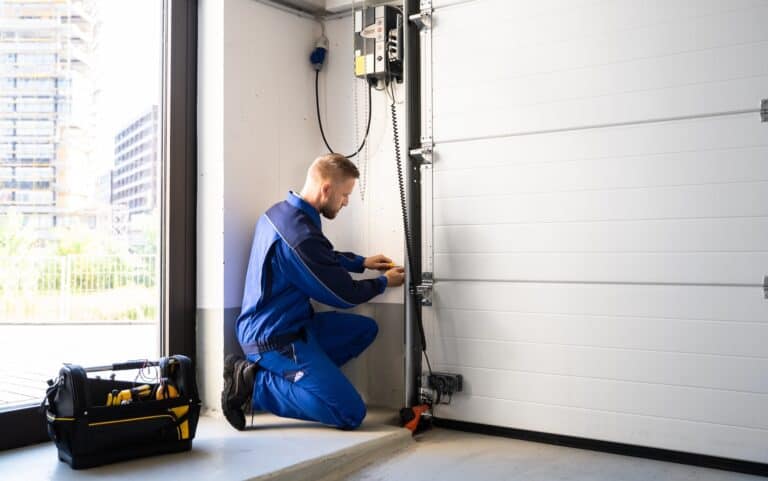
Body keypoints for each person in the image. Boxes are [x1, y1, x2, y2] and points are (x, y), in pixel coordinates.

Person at [222, 153, 405, 431]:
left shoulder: (281, 213)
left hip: (296, 326)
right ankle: (254, 385)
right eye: (345, 195)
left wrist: (361, 262)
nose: (346, 202)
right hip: (273, 340)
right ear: (327, 189)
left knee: (365, 330)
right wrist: (382, 283)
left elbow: (320, 257)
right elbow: (343, 295)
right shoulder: (299, 237)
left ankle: (305, 382)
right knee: (350, 413)